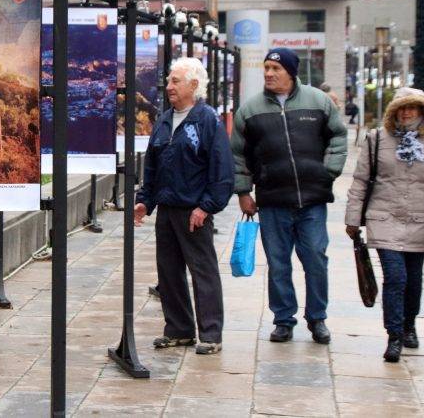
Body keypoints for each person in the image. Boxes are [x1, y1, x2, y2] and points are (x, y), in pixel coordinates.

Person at [231, 48, 347, 344]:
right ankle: (283, 319)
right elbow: (238, 155)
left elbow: (338, 136)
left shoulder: (318, 102)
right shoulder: (251, 109)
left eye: (275, 69)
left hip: (312, 201)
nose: (269, 73)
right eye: (266, 68)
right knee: (278, 263)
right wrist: (244, 191)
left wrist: (328, 171)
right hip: (272, 202)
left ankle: (317, 318)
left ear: (291, 72)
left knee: (316, 260)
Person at [345, 87, 424, 363]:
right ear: (393, 111)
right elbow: (360, 181)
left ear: (422, 111)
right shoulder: (377, 139)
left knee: (414, 280)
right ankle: (393, 335)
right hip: (384, 219)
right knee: (396, 277)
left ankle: (409, 325)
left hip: (419, 220)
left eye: (413, 108)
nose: (407, 113)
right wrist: (352, 219)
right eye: (402, 108)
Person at [134, 57, 234, 355]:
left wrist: (206, 207)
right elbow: (152, 165)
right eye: (168, 81)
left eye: (175, 81)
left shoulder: (207, 120)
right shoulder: (164, 120)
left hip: (195, 212)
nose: (169, 86)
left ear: (194, 84)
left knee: (202, 271)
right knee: (169, 271)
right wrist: (144, 201)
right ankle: (178, 330)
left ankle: (211, 334)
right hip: (166, 209)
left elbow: (222, 170)